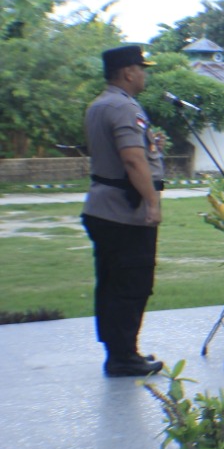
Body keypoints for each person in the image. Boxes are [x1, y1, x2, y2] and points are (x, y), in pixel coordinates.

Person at [82, 45, 166, 378]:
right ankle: (123, 357)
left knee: (111, 283)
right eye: (141, 68)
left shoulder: (100, 104)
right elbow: (132, 159)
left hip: (102, 208)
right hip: (123, 212)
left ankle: (119, 351)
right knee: (132, 284)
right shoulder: (122, 107)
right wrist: (152, 201)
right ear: (128, 72)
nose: (144, 74)